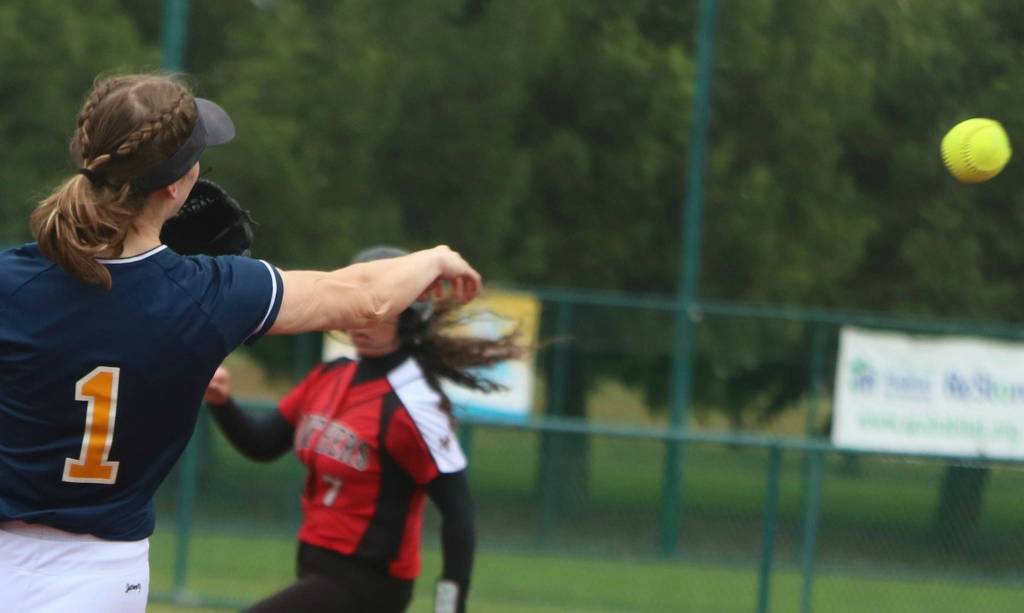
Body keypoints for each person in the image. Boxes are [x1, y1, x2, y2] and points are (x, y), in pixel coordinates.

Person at [0, 74, 481, 613]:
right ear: (175, 187)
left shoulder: (11, 282)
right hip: (102, 576)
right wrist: (436, 257)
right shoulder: (213, 294)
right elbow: (366, 298)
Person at [203, 245, 525, 613]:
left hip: (369, 583)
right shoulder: (332, 375)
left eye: (380, 306)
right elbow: (262, 444)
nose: (361, 318)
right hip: (316, 568)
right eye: (357, 303)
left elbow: (459, 512)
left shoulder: (414, 403)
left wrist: (449, 607)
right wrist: (222, 402)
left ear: (410, 315)